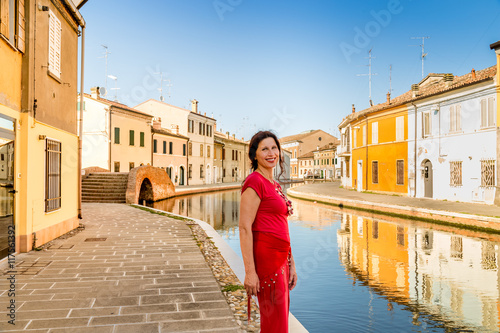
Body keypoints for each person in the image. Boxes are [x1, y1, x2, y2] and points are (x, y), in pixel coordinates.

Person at [239, 130, 298, 333]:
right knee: (274, 323)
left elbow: (282, 225)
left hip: (281, 260)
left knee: (279, 320)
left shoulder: (274, 185)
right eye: (264, 149)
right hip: (267, 263)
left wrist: (292, 264)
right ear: (255, 155)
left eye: (274, 148)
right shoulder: (254, 182)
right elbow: (245, 228)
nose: (271, 153)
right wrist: (249, 272)